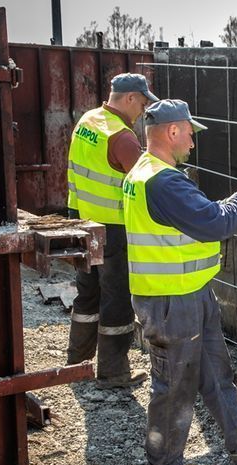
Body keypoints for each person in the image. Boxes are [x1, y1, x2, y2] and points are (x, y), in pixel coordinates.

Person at [123, 99, 237, 465]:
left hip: (190, 293)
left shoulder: (146, 173)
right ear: (172, 132)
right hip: (171, 301)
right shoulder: (162, 181)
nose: (194, 141)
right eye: (190, 132)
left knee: (214, 368)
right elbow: (215, 221)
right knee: (175, 386)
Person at [66, 73, 158, 388]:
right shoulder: (122, 137)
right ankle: (113, 372)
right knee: (116, 300)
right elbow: (148, 182)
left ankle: (76, 363)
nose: (144, 110)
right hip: (112, 230)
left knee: (87, 293)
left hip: (80, 222)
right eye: (143, 102)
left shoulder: (88, 121)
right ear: (131, 97)